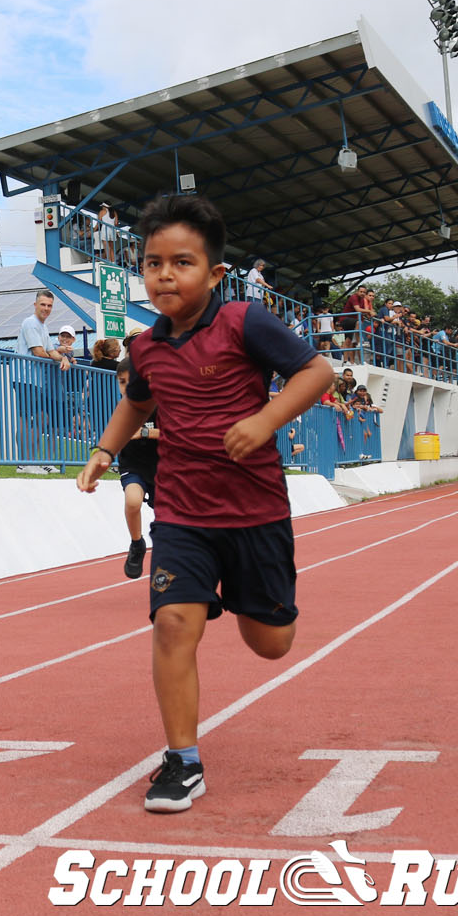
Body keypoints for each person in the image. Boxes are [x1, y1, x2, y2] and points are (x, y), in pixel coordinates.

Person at [76, 193, 332, 813]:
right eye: (153, 263)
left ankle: (252, 604)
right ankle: (182, 761)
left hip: (256, 511)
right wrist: (105, 451)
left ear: (214, 273)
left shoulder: (245, 322)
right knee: (171, 626)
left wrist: (266, 420)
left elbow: (316, 373)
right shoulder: (145, 348)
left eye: (181, 262)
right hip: (184, 512)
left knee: (270, 642)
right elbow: (138, 402)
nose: (164, 274)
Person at [13, 290, 72, 473]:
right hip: (24, 378)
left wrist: (62, 358)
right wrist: (57, 356)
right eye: (43, 304)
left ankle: (37, 461)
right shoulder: (30, 323)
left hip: (35, 381)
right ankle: (24, 463)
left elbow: (50, 351)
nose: (46, 308)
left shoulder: (43, 327)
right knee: (26, 419)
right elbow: (39, 351)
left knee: (41, 418)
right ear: (35, 305)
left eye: (49, 305)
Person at [115, 362, 160, 580]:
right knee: (132, 501)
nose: (126, 387)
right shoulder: (123, 407)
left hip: (163, 466)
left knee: (167, 521)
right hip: (133, 463)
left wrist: (143, 432)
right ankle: (137, 544)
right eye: (121, 382)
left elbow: (174, 432)